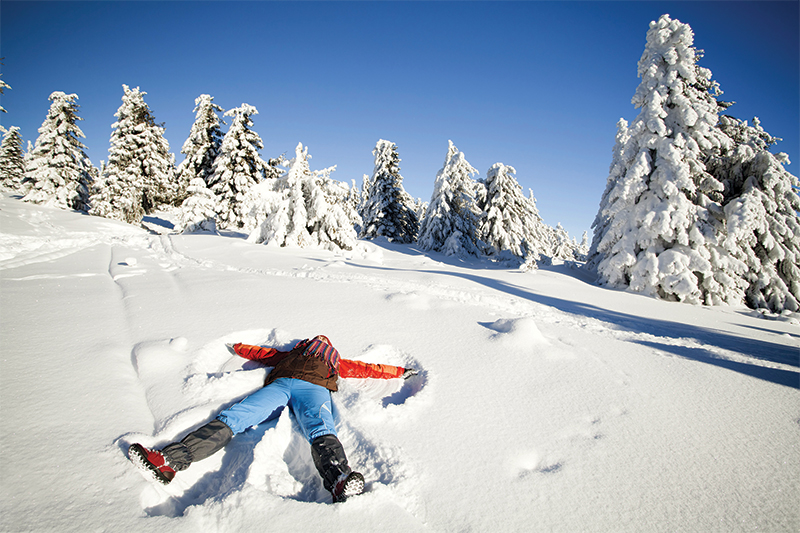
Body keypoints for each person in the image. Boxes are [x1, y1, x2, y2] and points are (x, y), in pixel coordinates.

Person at [129, 335, 417, 503]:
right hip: (288, 386)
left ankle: (339, 479)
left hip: (305, 389)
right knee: (236, 417)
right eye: (317, 344)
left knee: (319, 429)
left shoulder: (330, 362)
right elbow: (263, 354)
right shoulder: (294, 354)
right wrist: (240, 348)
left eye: (321, 345)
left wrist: (398, 372)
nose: (319, 346)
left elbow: (368, 368)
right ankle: (168, 461)